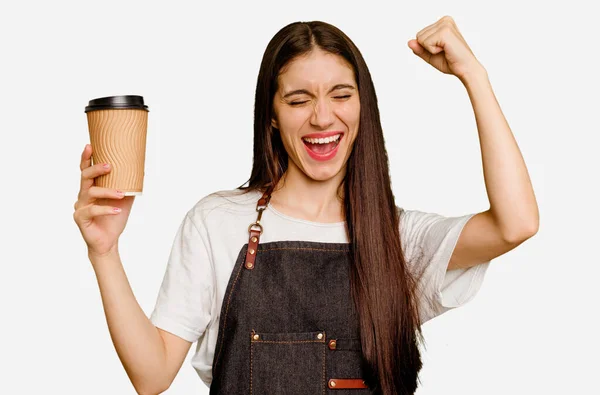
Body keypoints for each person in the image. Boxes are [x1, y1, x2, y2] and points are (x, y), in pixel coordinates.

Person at [73, 18, 538, 395]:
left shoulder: (396, 239)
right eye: (299, 99)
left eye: (341, 95)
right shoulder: (218, 221)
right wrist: (105, 252)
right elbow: (150, 376)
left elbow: (516, 224)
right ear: (272, 115)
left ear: (363, 107)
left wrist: (473, 75)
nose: (322, 117)